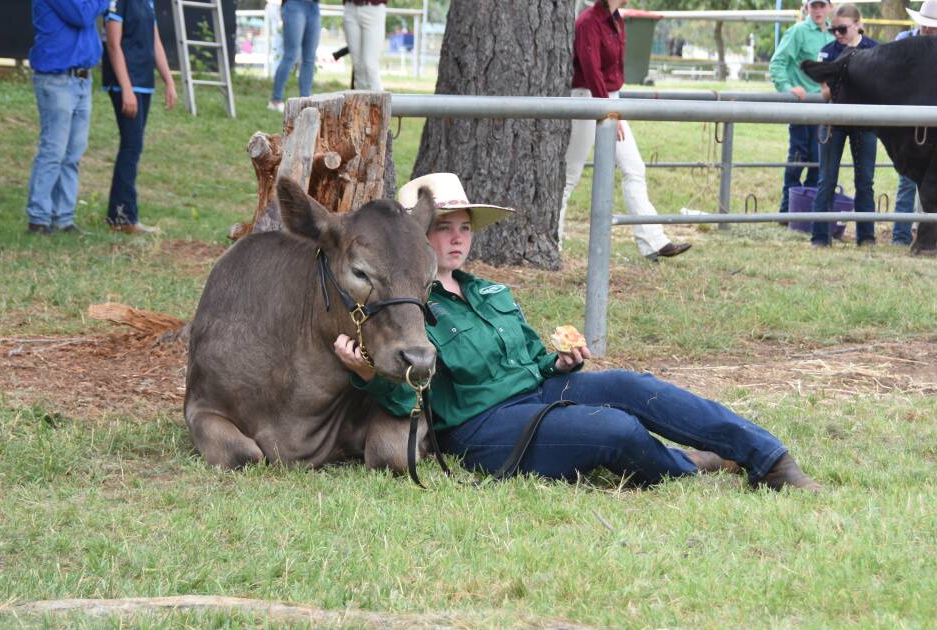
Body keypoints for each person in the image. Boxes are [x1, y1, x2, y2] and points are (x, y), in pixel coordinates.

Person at [334, 172, 822, 492]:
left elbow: (530, 357)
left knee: (637, 388)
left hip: (540, 388)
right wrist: (368, 374)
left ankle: (771, 459)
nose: (458, 237)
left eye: (465, 226)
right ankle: (689, 465)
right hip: (482, 426)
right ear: (414, 240)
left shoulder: (485, 290)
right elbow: (410, 401)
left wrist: (559, 363)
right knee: (615, 430)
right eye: (444, 227)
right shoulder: (404, 309)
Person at [560, 0, 691, 262]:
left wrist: (612, 107)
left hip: (609, 100)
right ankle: (553, 243)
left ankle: (654, 241)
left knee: (634, 168)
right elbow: (590, 67)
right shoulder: (588, 22)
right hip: (588, 98)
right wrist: (608, 110)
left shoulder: (617, 21)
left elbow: (612, 71)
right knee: (570, 174)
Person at [25, 0, 109, 235]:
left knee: (73, 153)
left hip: (81, 78)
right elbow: (82, 16)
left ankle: (63, 218)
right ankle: (39, 217)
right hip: (57, 79)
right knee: (54, 150)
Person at [102, 0, 177, 235]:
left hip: (143, 84)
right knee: (131, 147)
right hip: (126, 85)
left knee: (133, 147)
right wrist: (126, 87)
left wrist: (169, 80)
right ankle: (122, 216)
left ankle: (121, 215)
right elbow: (114, 45)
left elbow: (155, 41)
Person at [810, 3, 879, 248]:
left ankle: (867, 237)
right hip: (833, 122)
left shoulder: (875, 50)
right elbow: (825, 92)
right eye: (834, 30)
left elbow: (879, 89)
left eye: (843, 29)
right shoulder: (828, 52)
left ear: (858, 25)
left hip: (865, 123)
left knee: (865, 182)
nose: (838, 34)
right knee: (826, 180)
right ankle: (820, 237)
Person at [890, 0, 937, 247]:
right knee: (907, 179)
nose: (928, 30)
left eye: (933, 27)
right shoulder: (904, 40)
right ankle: (901, 235)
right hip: (909, 120)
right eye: (926, 26)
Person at [769, 0, 834, 216]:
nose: (817, 10)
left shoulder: (834, 35)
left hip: (825, 109)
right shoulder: (798, 32)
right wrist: (788, 88)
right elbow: (777, 63)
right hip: (802, 106)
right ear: (806, 8)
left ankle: (808, 212)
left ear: (829, 7)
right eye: (813, 6)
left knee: (819, 160)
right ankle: (787, 210)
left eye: (821, 5)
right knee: (798, 156)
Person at [270, 0, 321, 112]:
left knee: (309, 58)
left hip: (314, 6)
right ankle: (275, 100)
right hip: (294, 4)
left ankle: (305, 102)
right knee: (290, 55)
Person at [342, 0, 386, 91]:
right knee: (358, 66)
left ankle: (380, 103)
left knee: (370, 64)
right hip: (350, 8)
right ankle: (361, 103)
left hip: (373, 8)